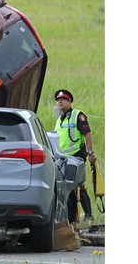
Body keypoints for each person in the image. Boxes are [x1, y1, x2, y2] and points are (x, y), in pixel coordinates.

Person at [54, 89, 97, 222]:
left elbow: (87, 134)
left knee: (79, 185)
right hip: (62, 159)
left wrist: (90, 153)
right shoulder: (59, 120)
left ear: (70, 101)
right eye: (58, 100)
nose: (59, 102)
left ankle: (88, 216)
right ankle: (70, 219)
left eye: (63, 99)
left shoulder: (78, 115)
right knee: (65, 188)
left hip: (76, 158)